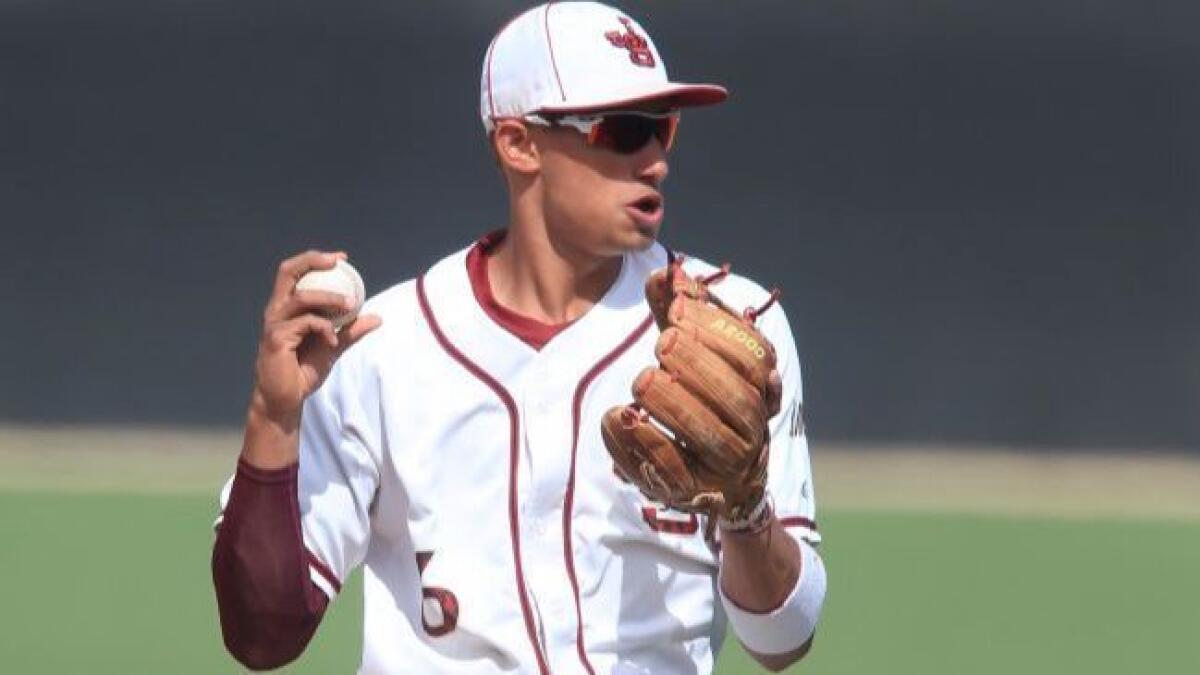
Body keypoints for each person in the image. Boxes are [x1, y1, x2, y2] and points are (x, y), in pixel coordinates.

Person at [211, 2, 826, 673]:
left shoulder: (730, 326)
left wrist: (746, 512)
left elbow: (782, 640)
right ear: (518, 143)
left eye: (663, 129)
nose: (654, 161)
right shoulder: (382, 349)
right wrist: (273, 419)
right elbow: (261, 635)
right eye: (622, 131)